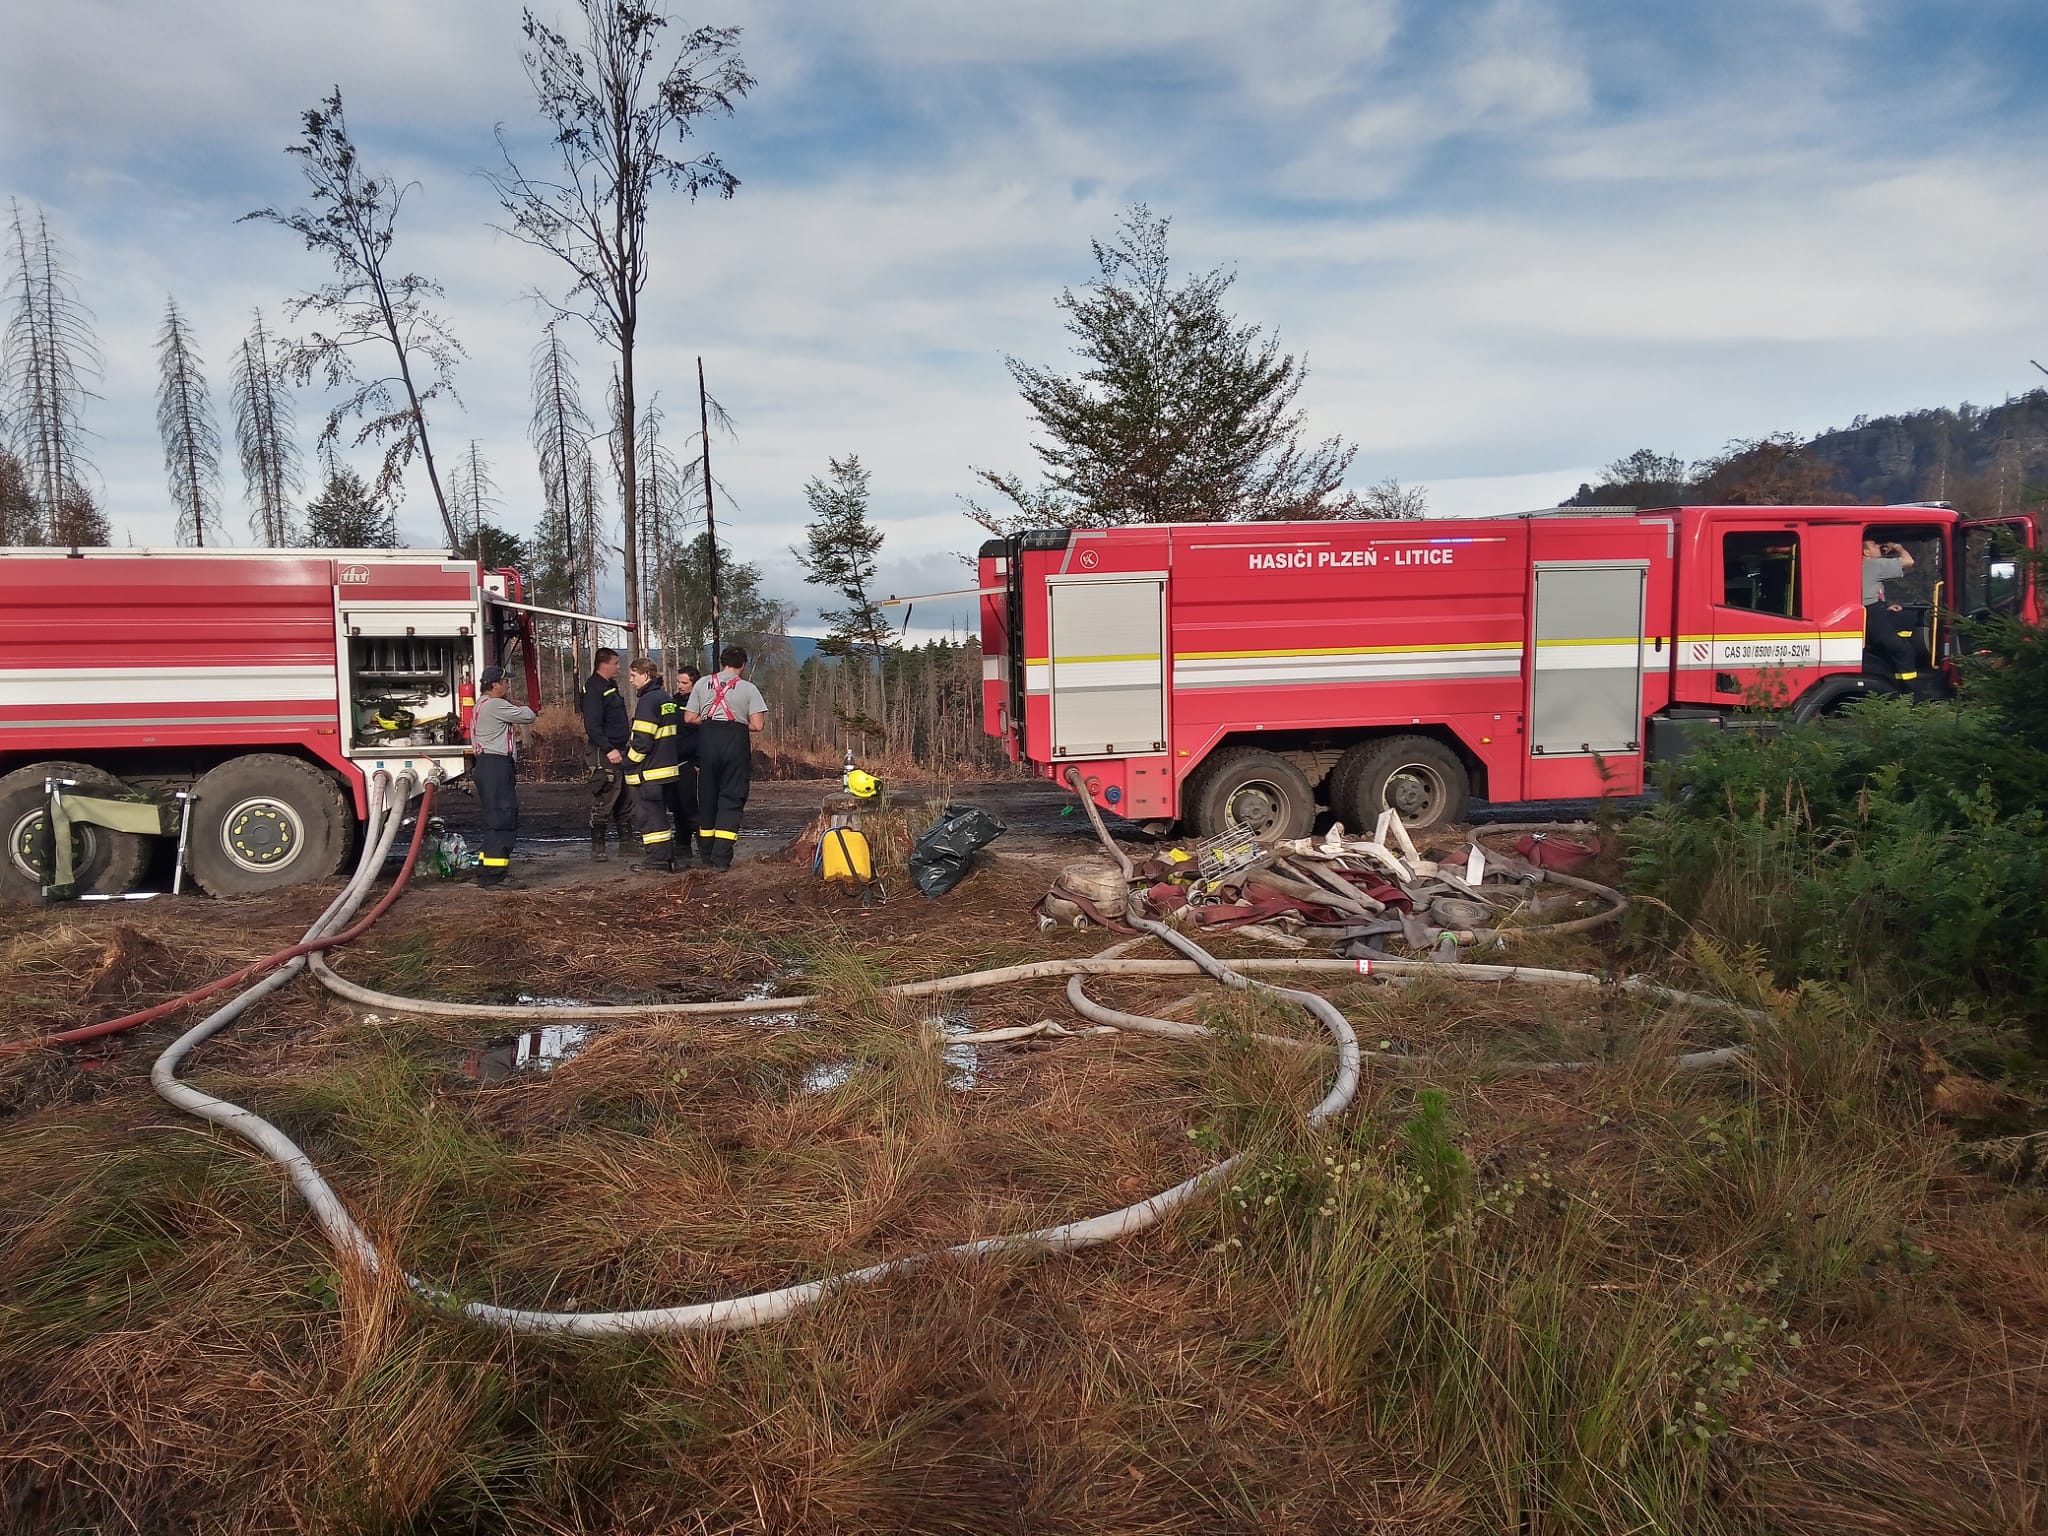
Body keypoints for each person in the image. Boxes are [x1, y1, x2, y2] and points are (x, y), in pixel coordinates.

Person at [685, 645, 768, 871]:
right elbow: (758, 725)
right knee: (731, 798)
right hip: (735, 745)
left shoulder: (702, 683)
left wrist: (712, 722)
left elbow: (690, 717)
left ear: (722, 663)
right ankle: (722, 859)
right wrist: (737, 724)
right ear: (742, 665)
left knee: (708, 797)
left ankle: (705, 855)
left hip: (707, 744)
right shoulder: (749, 689)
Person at [469, 665, 535, 889]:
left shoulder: (481, 705)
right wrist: (517, 705)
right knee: (503, 818)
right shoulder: (496, 705)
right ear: (494, 684)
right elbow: (529, 715)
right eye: (505, 681)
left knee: (494, 819)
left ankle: (487, 869)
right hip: (496, 765)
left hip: (487, 765)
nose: (508, 685)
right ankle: (495, 875)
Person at [622, 656, 683, 873]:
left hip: (648, 772)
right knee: (659, 817)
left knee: (650, 818)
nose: (630, 680)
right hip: (666, 770)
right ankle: (667, 858)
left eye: (633, 675)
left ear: (646, 675)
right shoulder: (665, 698)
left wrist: (628, 763)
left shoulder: (648, 701)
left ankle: (657, 862)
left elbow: (642, 741)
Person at [579, 647, 631, 862]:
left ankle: (627, 843)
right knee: (606, 796)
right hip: (604, 751)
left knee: (624, 797)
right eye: (616, 663)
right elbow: (592, 724)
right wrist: (608, 749)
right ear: (604, 664)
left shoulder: (610, 686)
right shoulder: (593, 688)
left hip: (620, 749)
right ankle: (598, 847)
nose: (619, 667)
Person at [668, 665, 702, 856]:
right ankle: (682, 845)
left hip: (691, 764)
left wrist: (699, 762)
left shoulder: (700, 705)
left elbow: (705, 736)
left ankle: (705, 848)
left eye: (684, 683)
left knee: (692, 808)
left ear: (694, 684)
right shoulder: (672, 702)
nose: (680, 686)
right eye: (678, 682)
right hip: (673, 762)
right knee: (677, 806)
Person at [1862, 537, 1914, 605]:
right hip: (1873, 609)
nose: (1879, 546)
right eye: (1874, 545)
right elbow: (1909, 561)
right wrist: (1897, 546)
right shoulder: (1874, 564)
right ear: (1866, 552)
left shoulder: (1863, 565)